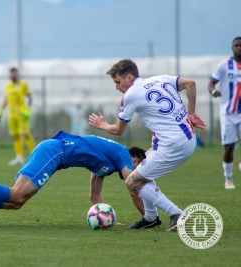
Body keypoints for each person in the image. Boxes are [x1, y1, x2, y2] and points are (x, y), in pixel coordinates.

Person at [88, 59, 206, 231]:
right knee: (142, 172)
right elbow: (190, 83)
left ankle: (177, 214)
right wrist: (192, 112)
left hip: (174, 145)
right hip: (187, 138)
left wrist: (102, 125)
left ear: (129, 77)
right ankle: (150, 217)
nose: (117, 87)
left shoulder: (131, 95)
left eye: (117, 82)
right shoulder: (160, 79)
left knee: (133, 182)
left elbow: (118, 130)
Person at [0, 130, 147, 226]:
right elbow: (133, 185)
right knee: (16, 194)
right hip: (55, 152)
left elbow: (94, 196)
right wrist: (148, 218)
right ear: (135, 159)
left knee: (16, 203)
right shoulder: (121, 153)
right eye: (140, 167)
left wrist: (108, 221)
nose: (137, 172)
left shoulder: (107, 164)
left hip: (54, 153)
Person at [208, 37, 241, 189]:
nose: (239, 48)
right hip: (228, 112)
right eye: (236, 45)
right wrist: (213, 91)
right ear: (232, 47)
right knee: (229, 147)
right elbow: (211, 83)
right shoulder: (224, 65)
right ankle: (228, 179)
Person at [0, 67, 36, 165]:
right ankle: (19, 157)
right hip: (12, 116)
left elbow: (29, 97)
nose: (13, 75)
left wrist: (28, 110)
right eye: (11, 73)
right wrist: (0, 111)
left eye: (14, 73)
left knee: (26, 134)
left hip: (22, 115)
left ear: (17, 74)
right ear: (9, 74)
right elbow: (6, 99)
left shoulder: (23, 84)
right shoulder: (8, 86)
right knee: (16, 136)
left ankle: (35, 155)